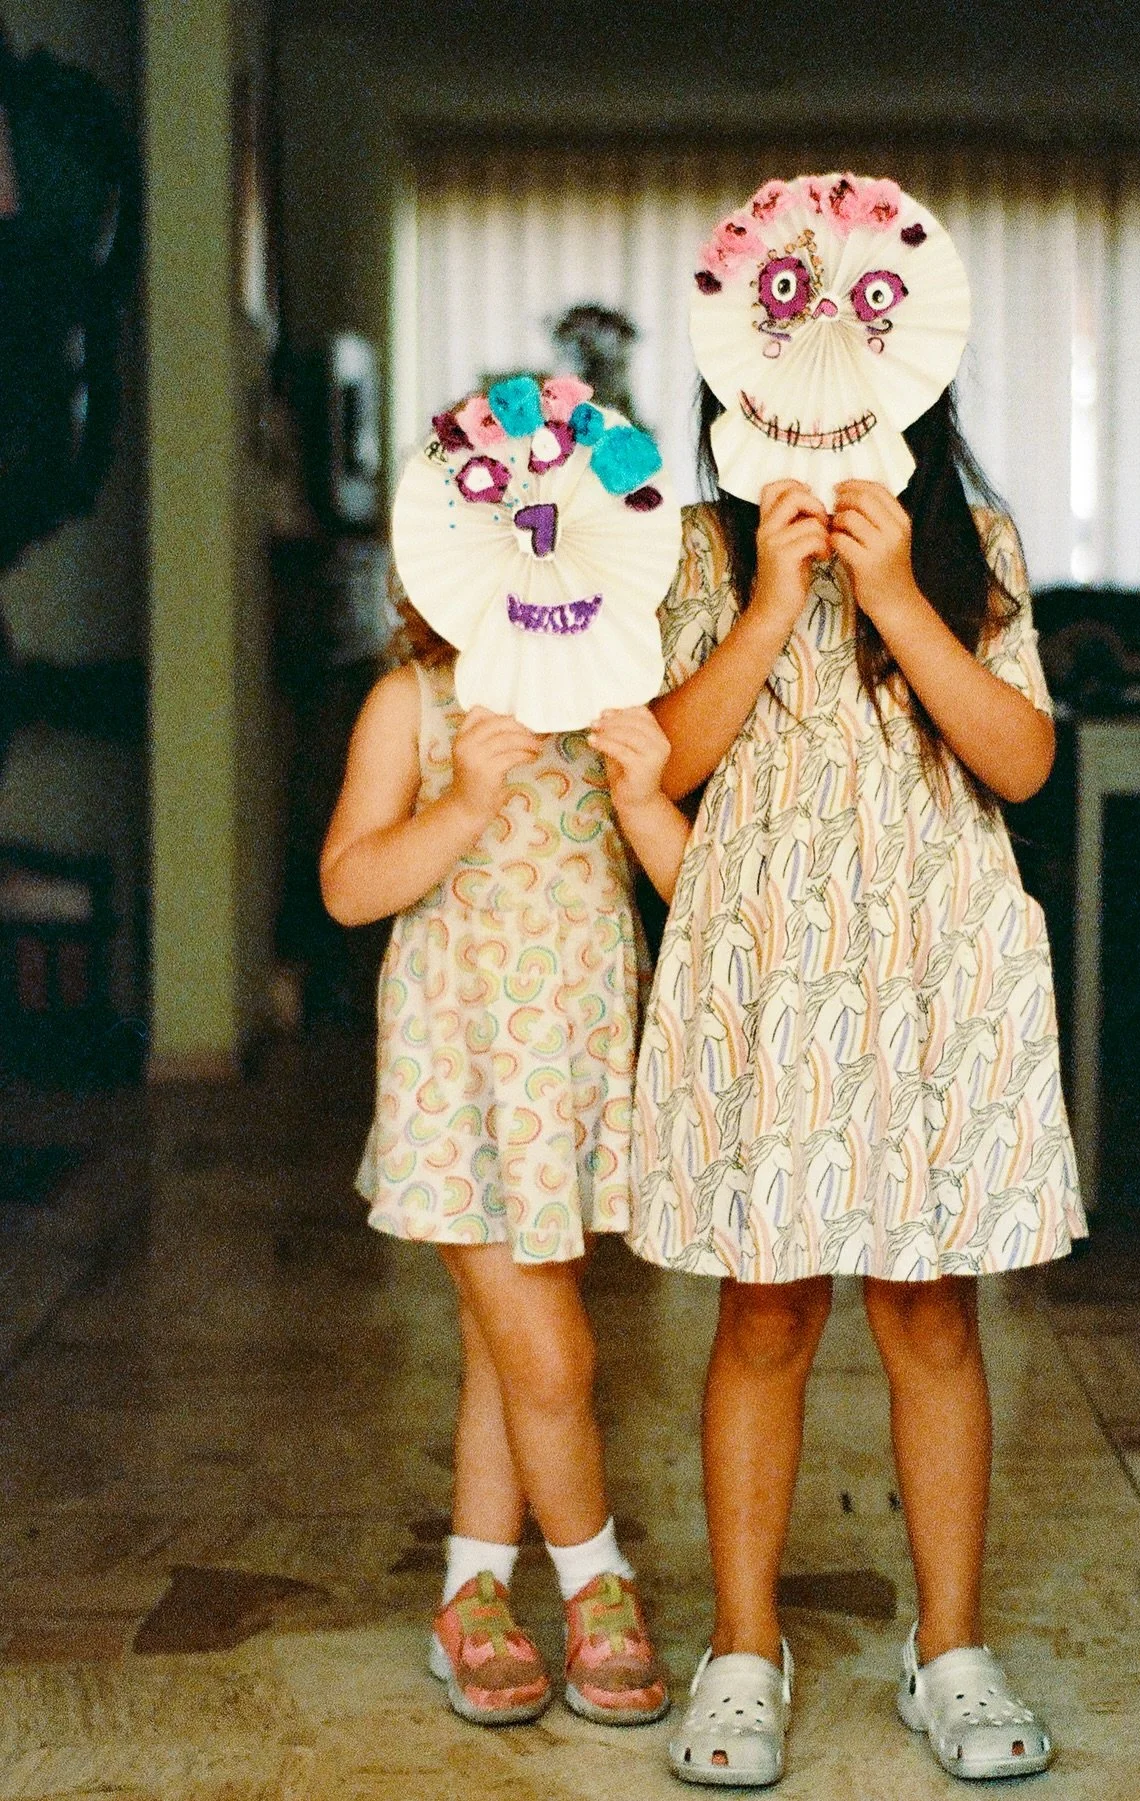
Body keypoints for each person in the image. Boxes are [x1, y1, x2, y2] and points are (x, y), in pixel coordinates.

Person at [608, 372, 1087, 1786]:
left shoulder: (972, 546)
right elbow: (669, 761)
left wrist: (893, 599)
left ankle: (949, 1648)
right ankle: (743, 1650)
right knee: (762, 1315)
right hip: (768, 970)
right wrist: (769, 599)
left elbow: (1021, 758)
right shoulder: (698, 547)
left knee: (932, 1313)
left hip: (932, 965)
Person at [320, 593, 668, 1731]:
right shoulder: (413, 705)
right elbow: (348, 886)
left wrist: (645, 786)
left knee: (504, 1355)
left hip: (566, 1081)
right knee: (554, 1358)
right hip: (459, 1083)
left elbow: (679, 876)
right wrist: (467, 794)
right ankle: (594, 1585)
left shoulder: (611, 709)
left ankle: (471, 1597)